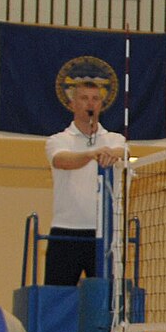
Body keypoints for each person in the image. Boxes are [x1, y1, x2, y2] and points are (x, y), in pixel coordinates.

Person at [44, 79, 128, 285]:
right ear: (72, 104)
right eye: (84, 98)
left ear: (101, 104)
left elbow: (124, 153)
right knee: (58, 298)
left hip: (106, 232)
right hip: (66, 230)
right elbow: (61, 160)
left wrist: (109, 153)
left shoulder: (115, 139)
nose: (90, 104)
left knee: (107, 299)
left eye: (95, 99)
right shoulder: (58, 140)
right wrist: (92, 154)